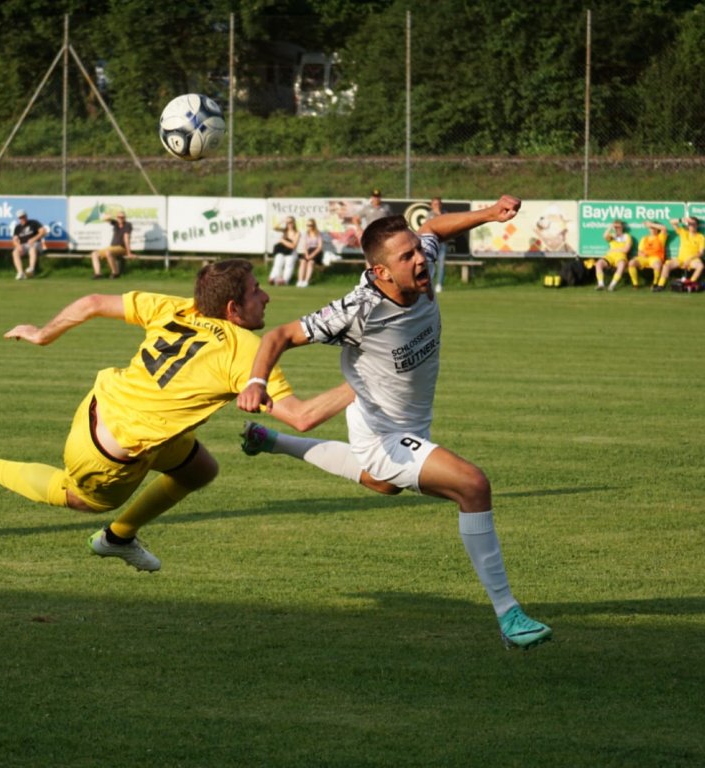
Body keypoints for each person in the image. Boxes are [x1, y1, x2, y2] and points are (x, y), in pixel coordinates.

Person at [236, 196, 553, 650]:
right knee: (472, 485)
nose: (420, 258)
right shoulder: (357, 310)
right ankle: (508, 614)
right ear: (381, 272)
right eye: (407, 257)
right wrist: (256, 382)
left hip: (398, 422)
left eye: (416, 251)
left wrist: (487, 215)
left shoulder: (421, 261)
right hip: (383, 432)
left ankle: (275, 441)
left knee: (383, 485)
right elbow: (279, 335)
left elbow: (437, 229)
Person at [0, 259, 354, 572]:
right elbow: (301, 417)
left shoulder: (179, 308)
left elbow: (91, 303)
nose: (265, 297)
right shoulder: (246, 350)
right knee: (80, 499)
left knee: (200, 470)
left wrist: (43, 333)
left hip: (100, 405)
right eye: (256, 291)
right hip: (107, 455)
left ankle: (119, 538)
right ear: (232, 308)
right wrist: (371, 381)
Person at [653, 216, 705, 292]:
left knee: (700, 266)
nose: (691, 226)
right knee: (666, 265)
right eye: (690, 224)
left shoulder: (701, 237)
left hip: (693, 259)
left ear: (697, 225)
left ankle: (690, 284)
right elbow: (672, 222)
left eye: (693, 224)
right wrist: (681, 220)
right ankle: (660, 286)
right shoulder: (684, 232)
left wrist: (690, 259)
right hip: (680, 259)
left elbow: (701, 252)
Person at [90, 211, 132, 279]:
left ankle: (115, 273)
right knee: (94, 254)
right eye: (119, 217)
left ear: (125, 218)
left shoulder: (127, 225)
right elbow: (105, 219)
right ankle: (98, 274)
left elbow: (126, 239)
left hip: (121, 247)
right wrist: (109, 215)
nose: (121, 219)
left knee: (108, 252)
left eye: (122, 217)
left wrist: (129, 252)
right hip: (112, 247)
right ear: (117, 218)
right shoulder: (115, 223)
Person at [627, 220, 667, 289]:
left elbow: (664, 228)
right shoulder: (644, 238)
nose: (652, 229)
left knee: (657, 265)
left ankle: (655, 284)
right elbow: (639, 251)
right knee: (631, 263)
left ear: (657, 229)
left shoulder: (661, 237)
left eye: (654, 228)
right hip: (644, 258)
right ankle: (635, 284)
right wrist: (641, 255)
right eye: (650, 228)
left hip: (655, 258)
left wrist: (651, 224)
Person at [595, 220, 632, 291]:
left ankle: (612, 285)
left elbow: (626, 250)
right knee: (598, 263)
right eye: (616, 227)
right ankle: (601, 284)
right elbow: (604, 236)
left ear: (622, 227)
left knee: (621, 265)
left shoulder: (627, 236)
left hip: (620, 256)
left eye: (619, 227)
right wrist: (610, 227)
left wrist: (615, 250)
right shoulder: (612, 236)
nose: (617, 228)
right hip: (610, 256)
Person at [12, 209, 47, 280]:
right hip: (24, 245)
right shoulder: (17, 227)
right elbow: (14, 239)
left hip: (36, 243)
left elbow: (43, 232)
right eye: (20, 217)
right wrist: (18, 246)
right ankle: (20, 273)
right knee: (15, 252)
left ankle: (31, 269)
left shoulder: (34, 223)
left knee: (32, 249)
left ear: (26, 216)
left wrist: (33, 239)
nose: (22, 219)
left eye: (23, 217)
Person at [267, 216, 300, 286]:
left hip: (291, 252)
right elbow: (274, 228)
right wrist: (282, 221)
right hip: (282, 250)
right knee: (278, 261)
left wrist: (283, 240)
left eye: (290, 222)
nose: (289, 224)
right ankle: (273, 278)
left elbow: (293, 246)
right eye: (287, 223)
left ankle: (285, 280)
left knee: (289, 263)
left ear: (294, 223)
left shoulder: (297, 233)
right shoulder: (285, 230)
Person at [425, 197, 448, 293]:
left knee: (441, 264)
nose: (436, 206)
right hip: (432, 243)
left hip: (442, 243)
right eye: (435, 204)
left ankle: (439, 284)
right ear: (431, 205)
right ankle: (429, 284)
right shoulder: (430, 215)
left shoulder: (445, 214)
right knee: (429, 264)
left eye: (438, 204)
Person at [295, 218, 323, 288]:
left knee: (310, 262)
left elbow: (319, 247)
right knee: (303, 261)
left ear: (314, 225)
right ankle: (300, 280)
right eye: (307, 225)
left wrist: (312, 255)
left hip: (316, 251)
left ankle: (306, 281)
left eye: (310, 225)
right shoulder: (306, 234)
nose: (309, 227)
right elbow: (305, 246)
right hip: (308, 251)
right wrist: (307, 254)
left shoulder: (318, 234)